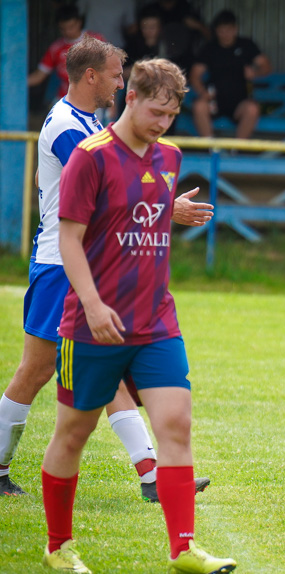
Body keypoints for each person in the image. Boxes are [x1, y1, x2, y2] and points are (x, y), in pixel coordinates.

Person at [40, 57, 236, 574]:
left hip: (155, 320)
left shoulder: (169, 156)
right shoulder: (90, 156)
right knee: (72, 435)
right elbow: (70, 238)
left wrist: (172, 211)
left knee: (175, 423)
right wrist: (92, 302)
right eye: (155, 112)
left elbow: (136, 213)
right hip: (91, 325)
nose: (162, 124)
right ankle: (58, 546)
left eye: (171, 116)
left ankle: (183, 549)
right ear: (130, 98)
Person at [1, 36, 212, 503]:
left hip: (89, 258)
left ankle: (151, 471)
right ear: (91, 76)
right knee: (35, 371)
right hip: (64, 263)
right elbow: (110, 188)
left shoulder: (82, 121)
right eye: (117, 74)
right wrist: (166, 206)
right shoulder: (69, 127)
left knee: (97, 365)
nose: (121, 82)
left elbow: (55, 181)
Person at [190, 10, 272, 139]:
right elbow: (195, 75)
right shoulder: (210, 48)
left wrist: (254, 73)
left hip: (240, 102)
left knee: (252, 109)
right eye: (221, 30)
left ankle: (237, 151)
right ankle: (211, 148)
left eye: (228, 30)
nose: (225, 34)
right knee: (199, 106)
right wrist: (203, 92)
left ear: (235, 29)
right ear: (216, 31)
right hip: (214, 101)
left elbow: (266, 67)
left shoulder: (246, 45)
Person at [27, 5, 106, 101]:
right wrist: (15, 82)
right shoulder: (56, 48)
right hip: (65, 98)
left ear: (79, 22)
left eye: (71, 27)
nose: (68, 31)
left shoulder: (96, 41)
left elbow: (110, 71)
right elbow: (39, 75)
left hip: (92, 100)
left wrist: (112, 102)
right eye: (63, 28)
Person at [141, 0, 209, 73]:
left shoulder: (185, 7)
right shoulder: (136, 44)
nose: (149, 31)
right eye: (145, 27)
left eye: (152, 27)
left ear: (161, 28)